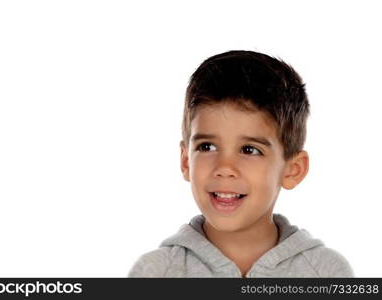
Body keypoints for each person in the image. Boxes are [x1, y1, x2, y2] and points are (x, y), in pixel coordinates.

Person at [128, 50, 354, 278]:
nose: (225, 168)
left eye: (249, 150)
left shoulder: (327, 273)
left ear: (292, 170)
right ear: (186, 161)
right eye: (207, 147)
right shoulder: (155, 273)